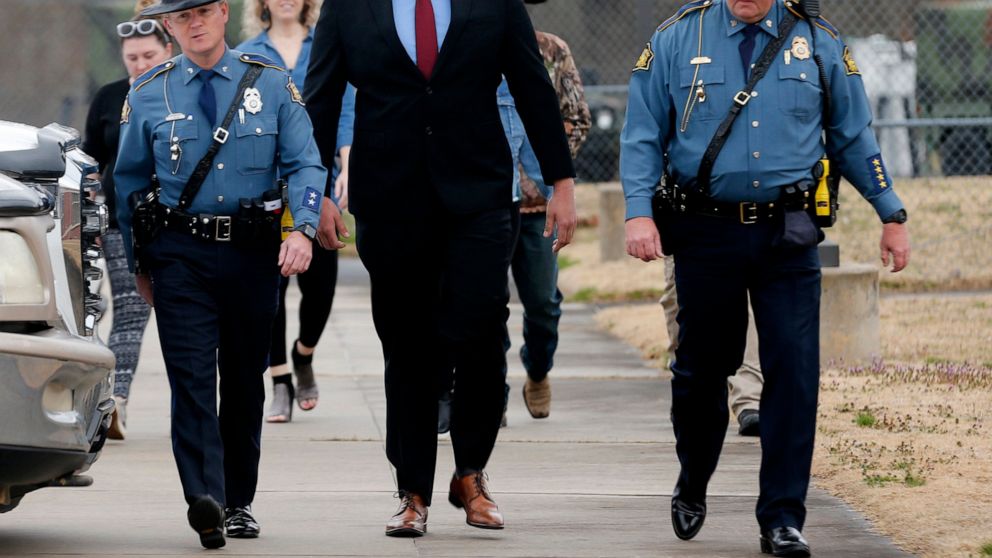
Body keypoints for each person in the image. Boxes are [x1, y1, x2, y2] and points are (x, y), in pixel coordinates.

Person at [620, 0, 911, 555]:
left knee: (795, 375)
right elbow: (641, 134)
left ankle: (782, 517)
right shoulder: (677, 39)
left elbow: (853, 135)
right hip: (706, 233)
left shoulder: (818, 41)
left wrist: (890, 213)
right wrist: (637, 211)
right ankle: (694, 477)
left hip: (789, 235)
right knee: (701, 371)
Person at [304, 0, 577, 538]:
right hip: (390, 198)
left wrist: (560, 182)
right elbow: (322, 99)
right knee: (408, 345)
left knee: (479, 329)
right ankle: (413, 493)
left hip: (477, 192)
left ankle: (471, 475)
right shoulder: (346, 8)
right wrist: (317, 196)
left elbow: (531, 85)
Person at [115, 0, 327, 548]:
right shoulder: (148, 92)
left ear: (225, 13)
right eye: (183, 17)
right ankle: (203, 500)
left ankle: (239, 501)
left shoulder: (272, 84)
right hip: (179, 253)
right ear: (169, 26)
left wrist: (300, 228)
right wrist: (141, 260)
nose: (196, 24)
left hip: (252, 252)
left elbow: (306, 161)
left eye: (204, 11)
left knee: (241, 379)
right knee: (189, 378)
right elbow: (130, 183)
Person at [237, 0, 356, 422]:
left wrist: (347, 162)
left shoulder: (326, 43)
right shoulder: (247, 53)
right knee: (272, 289)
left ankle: (303, 353)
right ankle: (281, 381)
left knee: (320, 286)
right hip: (266, 184)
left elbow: (343, 108)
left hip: (318, 179)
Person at [82, 0, 172, 441]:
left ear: (167, 51)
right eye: (132, 58)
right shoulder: (108, 97)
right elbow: (91, 159)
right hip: (121, 223)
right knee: (128, 312)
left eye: (149, 57)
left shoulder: (183, 91)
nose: (140, 65)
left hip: (177, 223)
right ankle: (114, 400)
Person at [659, 255, 764, 436]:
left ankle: (749, 399)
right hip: (683, 232)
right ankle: (687, 386)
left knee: (741, 294)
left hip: (737, 230)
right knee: (677, 297)